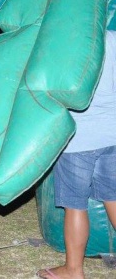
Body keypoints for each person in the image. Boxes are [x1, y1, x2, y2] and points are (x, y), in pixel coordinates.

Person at [36, 30, 116, 279]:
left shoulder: (65, 38)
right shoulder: (112, 37)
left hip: (79, 137)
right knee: (114, 197)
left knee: (75, 204)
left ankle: (73, 269)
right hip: (113, 132)